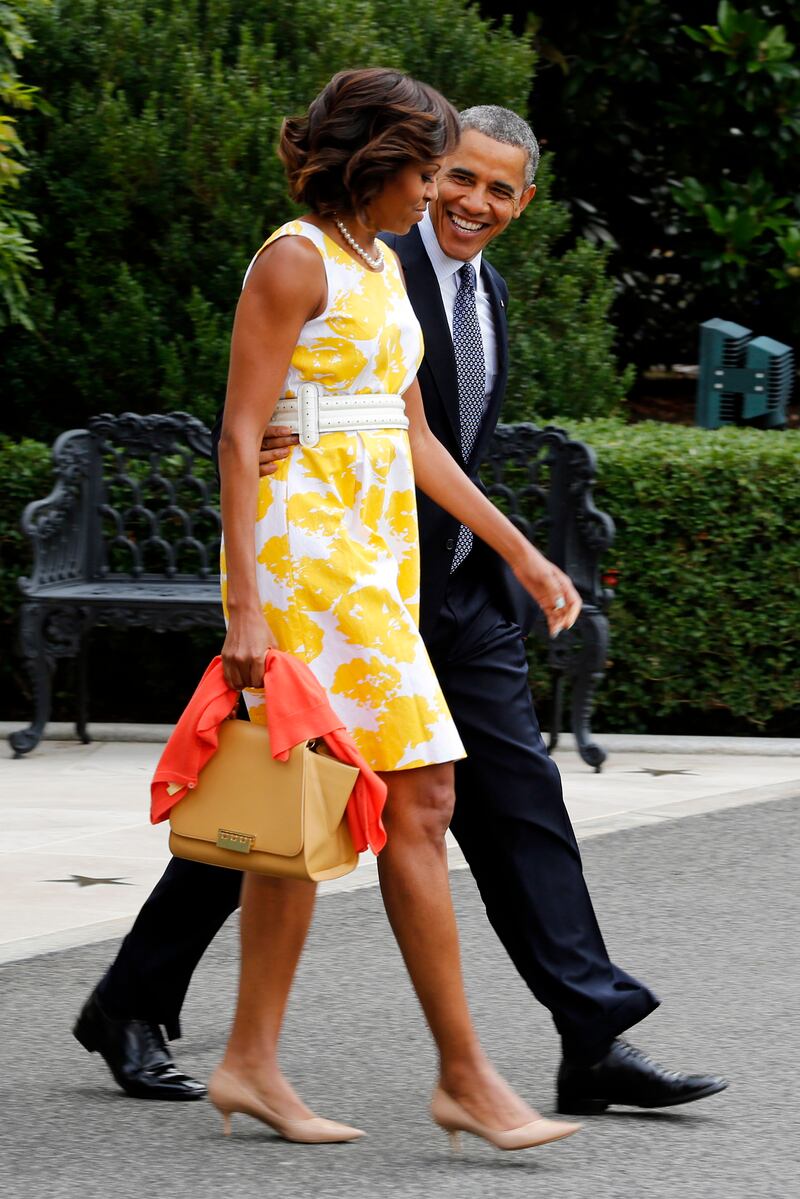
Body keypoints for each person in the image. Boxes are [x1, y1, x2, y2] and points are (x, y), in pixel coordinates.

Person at [75, 100, 727, 1119]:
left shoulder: (423, 276)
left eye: (488, 186)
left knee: (421, 798)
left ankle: (564, 1035)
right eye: (441, 174)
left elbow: (419, 436)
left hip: (416, 573)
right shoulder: (317, 258)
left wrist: (518, 553)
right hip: (323, 565)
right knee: (342, 801)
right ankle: (440, 1069)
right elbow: (244, 429)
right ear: (395, 164)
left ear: (523, 198)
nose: (454, 199)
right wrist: (248, 592)